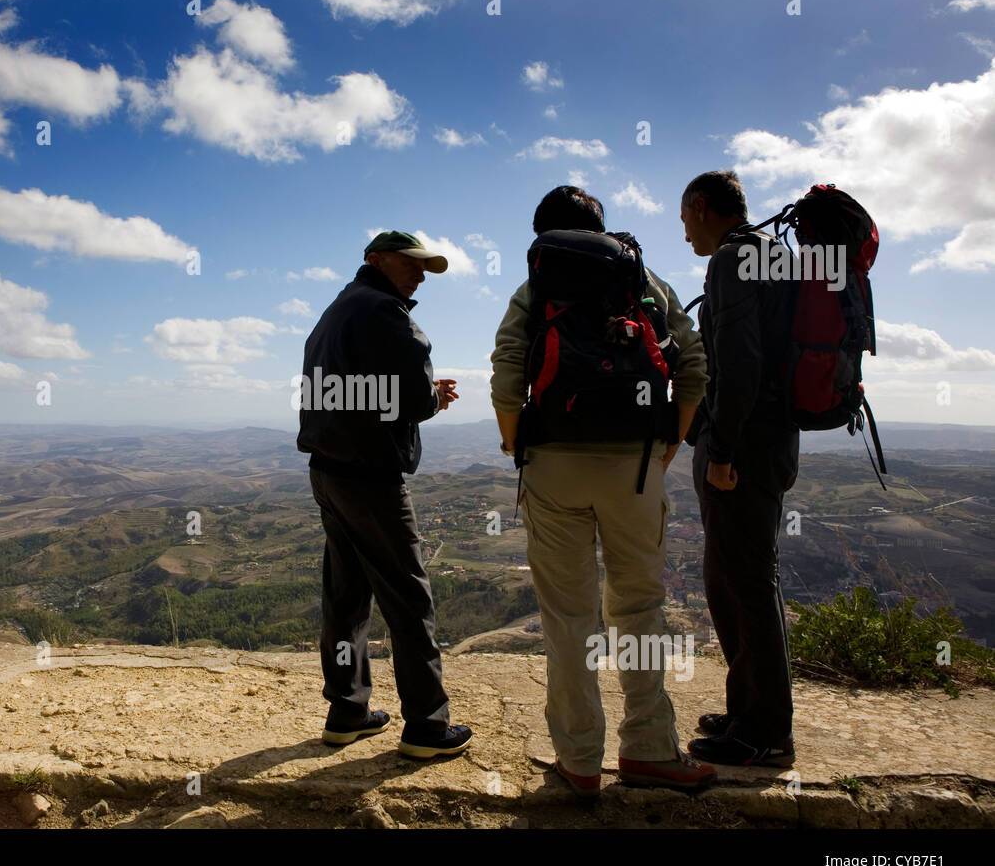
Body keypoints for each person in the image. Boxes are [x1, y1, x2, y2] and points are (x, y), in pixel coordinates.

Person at [490, 186, 716, 794]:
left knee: (568, 618)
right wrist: (668, 445)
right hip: (636, 467)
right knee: (639, 606)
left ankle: (580, 761)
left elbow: (508, 371)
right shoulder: (642, 278)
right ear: (601, 225)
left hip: (553, 464)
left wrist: (517, 444)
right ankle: (649, 749)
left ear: (542, 235)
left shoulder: (537, 285)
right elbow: (693, 364)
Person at [296, 230, 473, 759]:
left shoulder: (336, 311)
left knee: (346, 595)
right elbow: (411, 398)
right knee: (408, 597)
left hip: (328, 469)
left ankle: (347, 712)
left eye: (425, 268)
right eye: (411, 263)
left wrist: (417, 394)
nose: (419, 274)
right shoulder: (386, 313)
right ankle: (427, 727)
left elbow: (349, 389)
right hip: (370, 476)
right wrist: (432, 398)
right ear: (375, 259)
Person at [678, 170, 799, 767]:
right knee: (741, 578)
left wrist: (721, 450)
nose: (685, 236)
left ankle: (764, 733)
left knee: (743, 584)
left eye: (684, 221)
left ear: (702, 207)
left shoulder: (731, 260)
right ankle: (749, 710)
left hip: (743, 445)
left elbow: (739, 362)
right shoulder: (776, 254)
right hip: (774, 439)